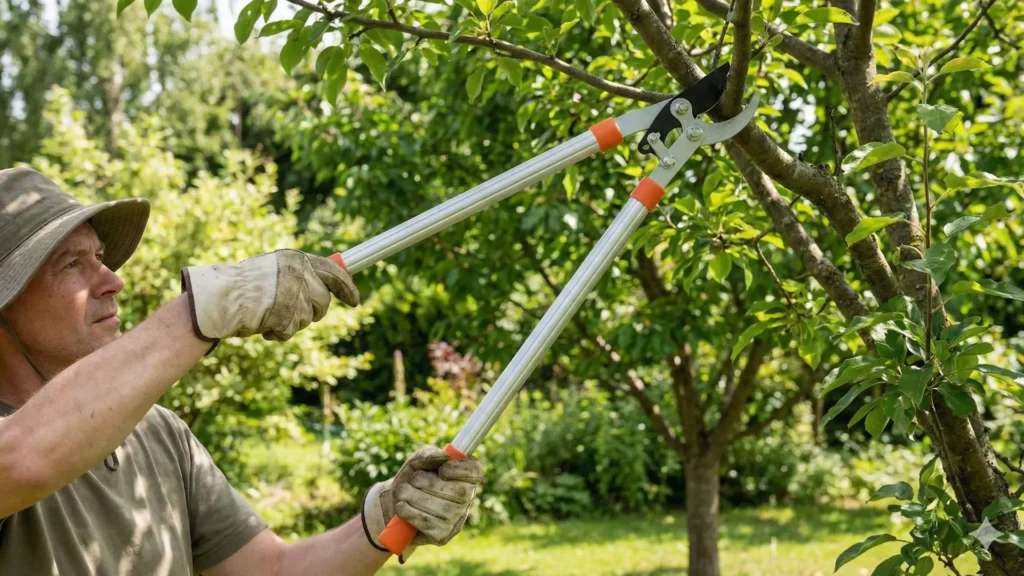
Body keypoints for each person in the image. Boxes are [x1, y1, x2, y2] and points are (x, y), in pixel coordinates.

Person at [0, 167, 483, 575]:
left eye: (100, 258)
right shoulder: (16, 450)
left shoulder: (160, 433)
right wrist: (211, 305)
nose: (112, 280)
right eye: (71, 265)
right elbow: (22, 459)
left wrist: (381, 523)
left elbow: (272, 570)